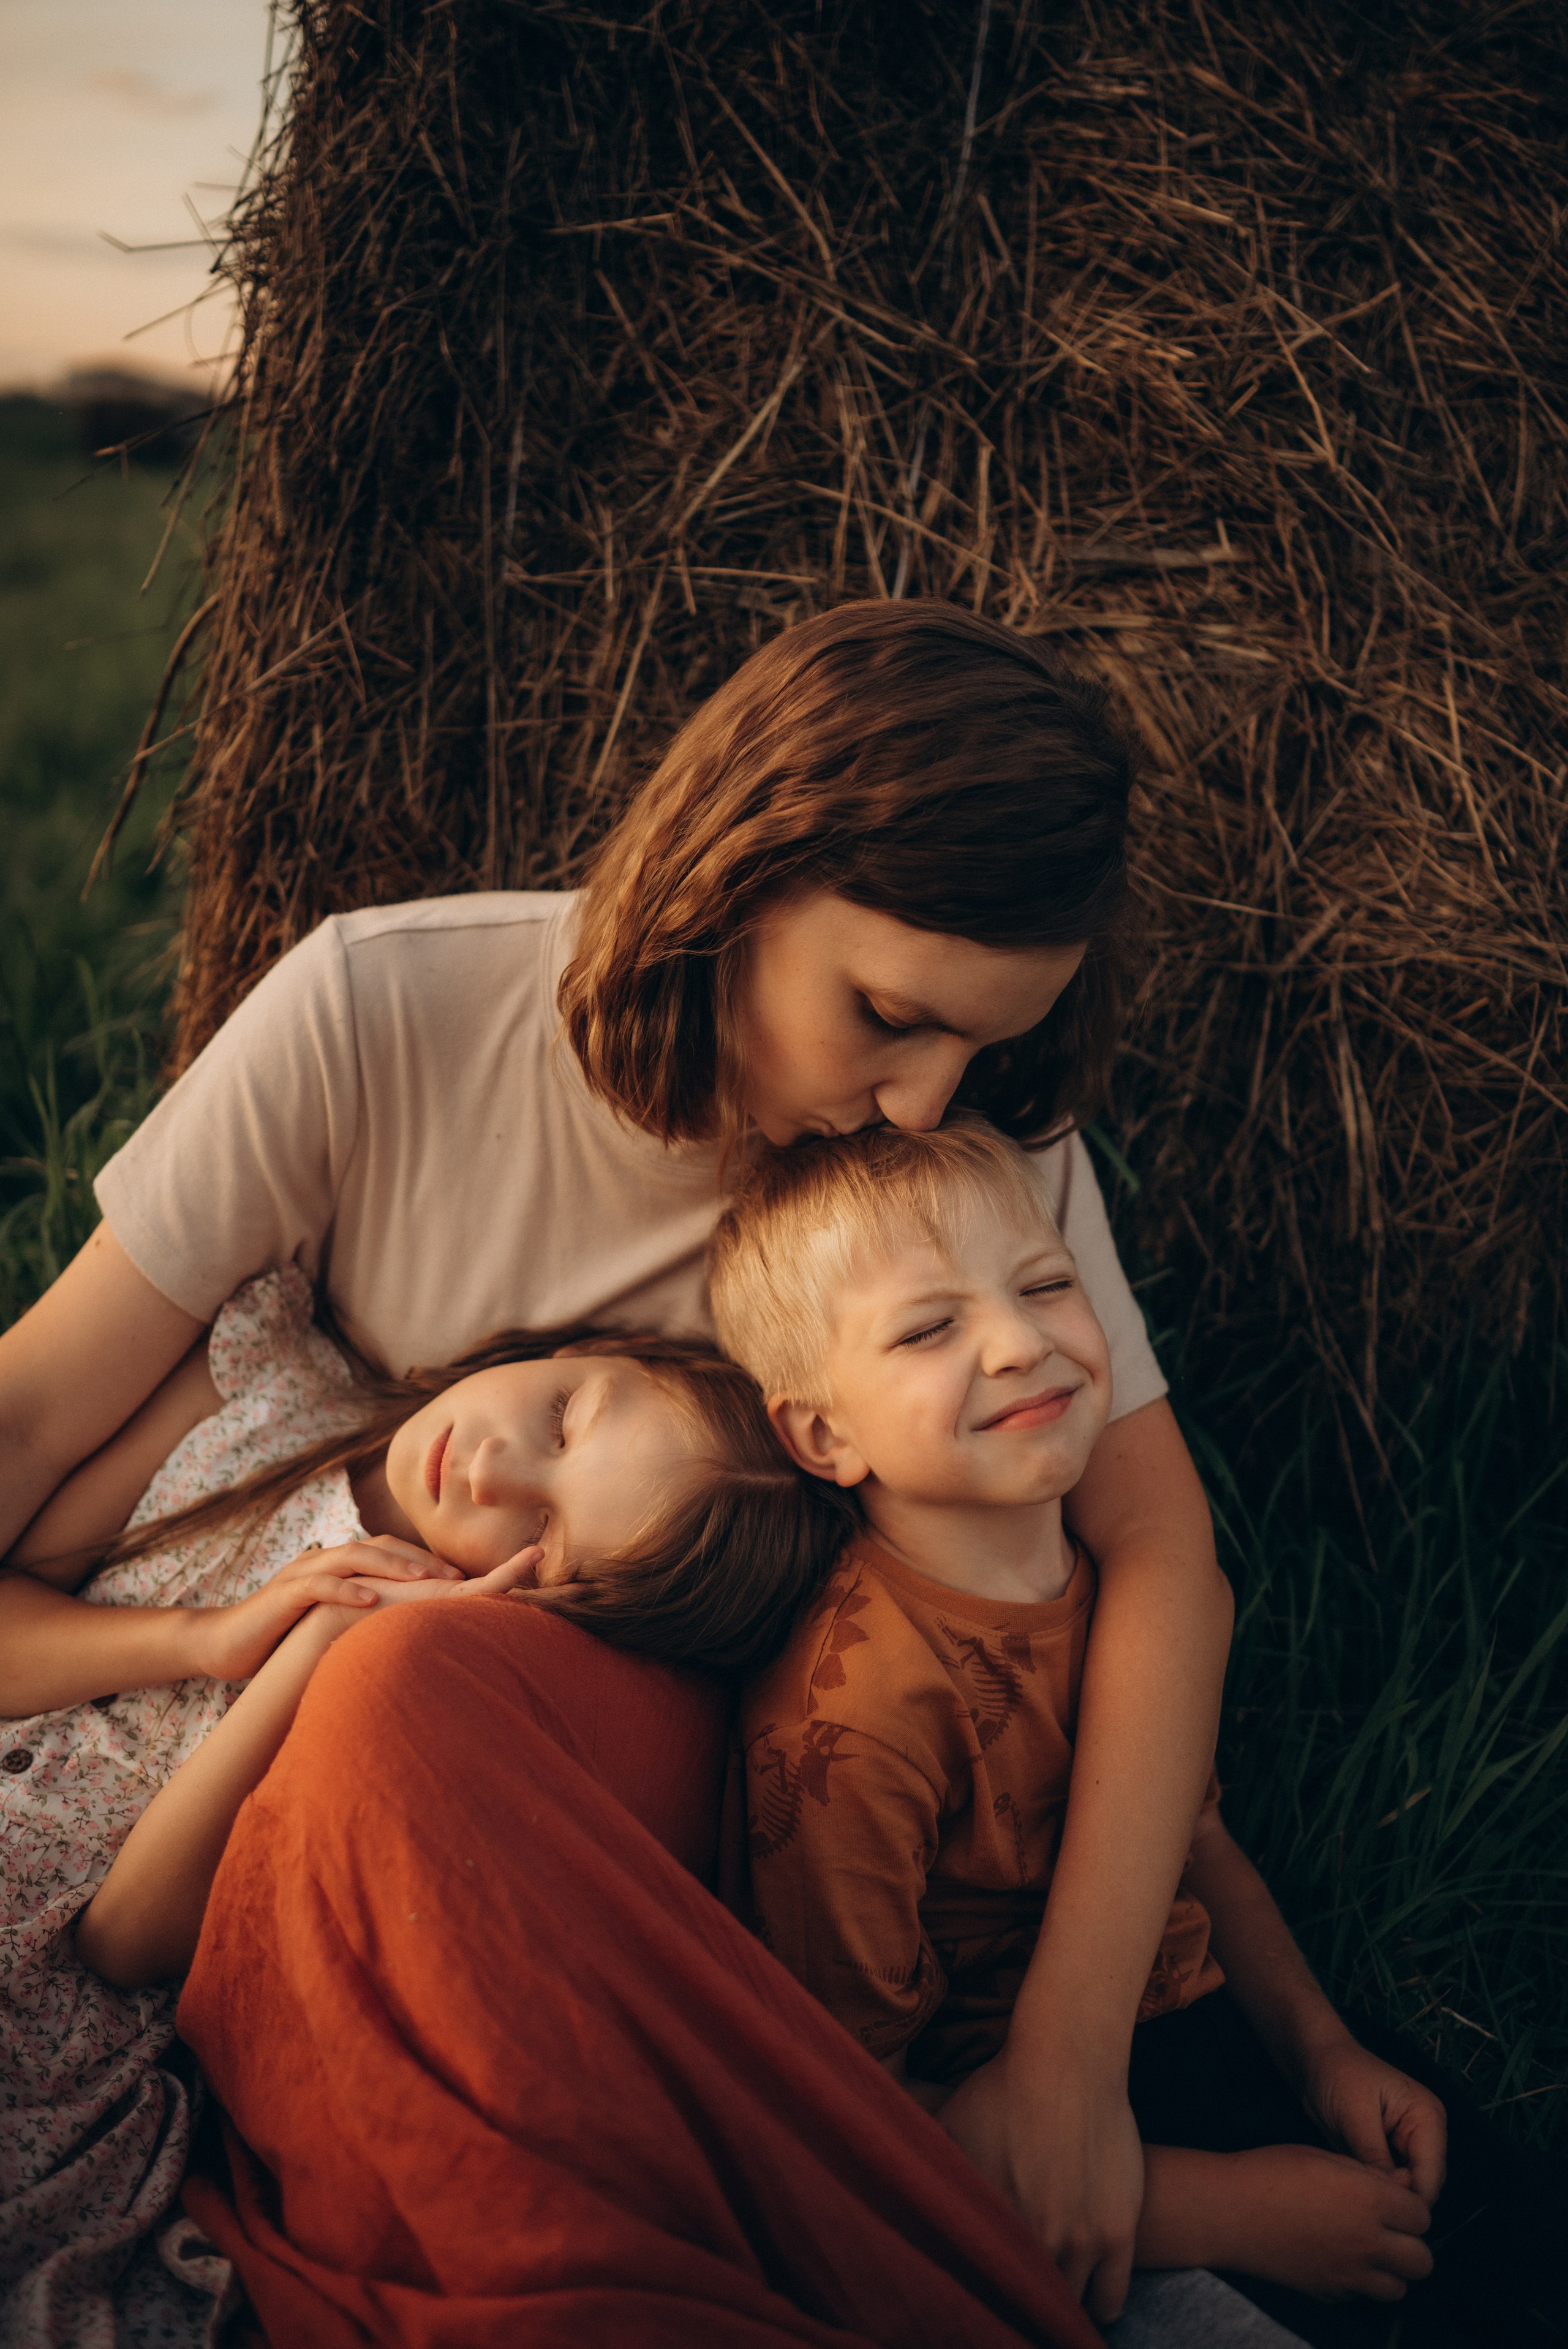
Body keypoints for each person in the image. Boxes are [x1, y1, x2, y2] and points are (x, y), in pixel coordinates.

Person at [0, 601, 1234, 2324]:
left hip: (674, 1744)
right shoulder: (381, 1009)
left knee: (407, 1690)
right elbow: (36, 1414)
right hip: (329, 1730)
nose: (923, 1098)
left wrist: (1070, 2060)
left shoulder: (963, 1146)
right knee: (391, 1701)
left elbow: (1161, 1554)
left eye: (984, 1043)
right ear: (741, 865)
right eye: (889, 1013)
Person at [709, 1114, 1564, 2349]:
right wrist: (1226, 2212)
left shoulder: (1110, 1592)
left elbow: (1193, 1847)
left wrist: (1321, 2048)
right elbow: (861, 2129)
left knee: (1515, 2237)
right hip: (1050, 2160)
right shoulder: (850, 1722)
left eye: (1044, 1283)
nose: (1018, 1342)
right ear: (821, 1434)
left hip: (1207, 2018)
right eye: (927, 1326)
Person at [0, 1262, 848, 2341]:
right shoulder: (263, 1389)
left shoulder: (390, 1691)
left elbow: (120, 1946)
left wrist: (317, 1649)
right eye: (561, 1413)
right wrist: (207, 1640)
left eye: (539, 1530)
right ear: (576, 1347)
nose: (491, 1470)